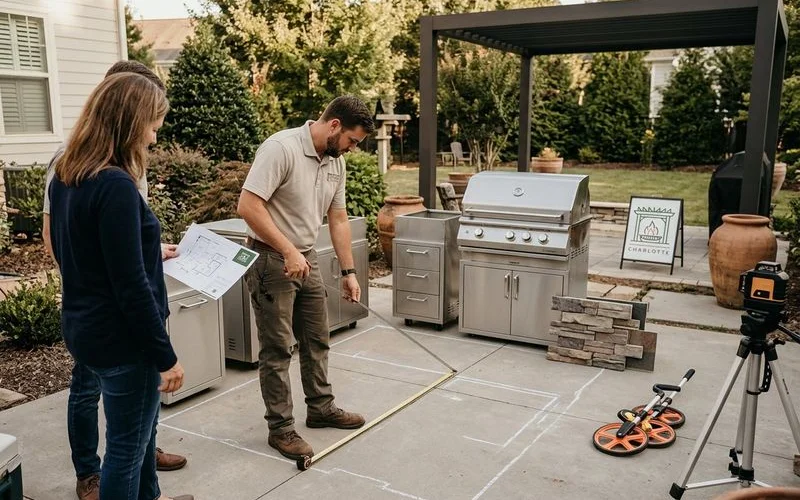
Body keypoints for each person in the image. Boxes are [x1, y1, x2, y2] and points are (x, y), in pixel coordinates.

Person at [40, 60, 187, 500]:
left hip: (84, 328)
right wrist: (165, 357)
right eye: (152, 126)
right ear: (128, 122)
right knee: (126, 450)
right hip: (125, 340)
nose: (154, 137)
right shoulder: (116, 186)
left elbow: (82, 255)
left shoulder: (68, 176)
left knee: (136, 444)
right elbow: (131, 285)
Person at [237, 95, 375, 460]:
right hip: (271, 260)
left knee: (317, 339)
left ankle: (320, 408)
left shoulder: (335, 162)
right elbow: (248, 206)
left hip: (307, 258)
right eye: (352, 141)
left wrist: (348, 272)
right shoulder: (281, 148)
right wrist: (287, 250)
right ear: (334, 125)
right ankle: (281, 428)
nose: (351, 149)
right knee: (277, 349)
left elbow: (338, 218)